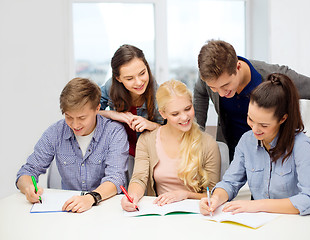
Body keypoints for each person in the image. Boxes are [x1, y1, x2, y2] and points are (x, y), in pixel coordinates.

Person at [194, 39, 310, 161]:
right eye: (214, 88)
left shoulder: (274, 76)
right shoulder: (210, 79)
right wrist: (198, 134)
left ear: (237, 67)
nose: (221, 93)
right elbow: (201, 91)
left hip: (274, 158)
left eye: (226, 86)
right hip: (235, 156)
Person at [200, 73, 310, 216]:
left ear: (283, 119)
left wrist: (257, 205)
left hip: (292, 223)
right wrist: (215, 199)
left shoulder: (301, 145)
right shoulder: (247, 141)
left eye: (264, 125)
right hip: (259, 224)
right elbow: (230, 183)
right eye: (250, 119)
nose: (255, 129)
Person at [16, 78, 129, 213]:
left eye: (82, 118)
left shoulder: (114, 132)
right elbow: (27, 171)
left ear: (97, 109)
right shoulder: (55, 132)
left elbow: (116, 178)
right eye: (69, 117)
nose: (75, 125)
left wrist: (90, 198)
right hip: (71, 210)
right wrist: (28, 187)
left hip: (106, 208)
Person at [121, 79, 221, 211]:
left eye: (188, 108)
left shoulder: (208, 144)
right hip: (161, 213)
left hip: (196, 214)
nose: (184, 117)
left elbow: (213, 194)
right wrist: (132, 196)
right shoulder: (147, 140)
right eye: (175, 114)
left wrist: (185, 195)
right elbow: (139, 178)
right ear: (162, 113)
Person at [100, 44, 163, 177]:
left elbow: (176, 133)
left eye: (142, 73)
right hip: (119, 156)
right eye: (129, 78)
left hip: (151, 159)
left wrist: (151, 125)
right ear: (118, 78)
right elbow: (87, 112)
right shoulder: (110, 87)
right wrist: (113, 114)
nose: (139, 82)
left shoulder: (160, 95)